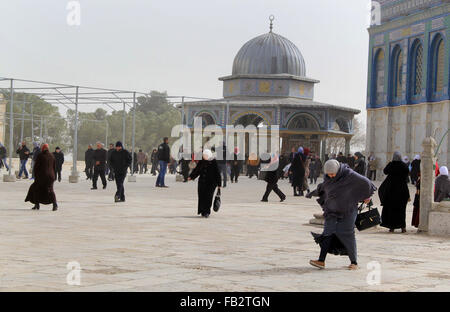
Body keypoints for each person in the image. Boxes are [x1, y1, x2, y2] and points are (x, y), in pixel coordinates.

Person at [308, 159, 376, 270]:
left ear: (338, 170)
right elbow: (325, 187)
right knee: (327, 233)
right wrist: (314, 192)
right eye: (328, 174)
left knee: (347, 234)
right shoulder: (328, 179)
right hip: (331, 210)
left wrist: (366, 197)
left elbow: (366, 183)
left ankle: (354, 262)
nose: (331, 176)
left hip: (348, 210)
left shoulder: (349, 175)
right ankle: (321, 261)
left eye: (332, 173)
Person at [379, 151, 410, 233]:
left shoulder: (391, 165)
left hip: (391, 190)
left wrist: (391, 164)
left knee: (391, 209)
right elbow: (407, 173)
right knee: (401, 209)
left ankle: (392, 227)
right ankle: (403, 227)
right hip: (402, 190)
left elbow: (385, 171)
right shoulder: (404, 165)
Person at [188, 149, 221, 218]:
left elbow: (217, 173)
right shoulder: (202, 161)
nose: (204, 156)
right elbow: (197, 170)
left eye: (205, 155)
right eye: (203, 155)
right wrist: (191, 176)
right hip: (202, 182)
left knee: (208, 197)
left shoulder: (214, 162)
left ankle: (207, 212)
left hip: (211, 183)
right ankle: (202, 210)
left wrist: (219, 185)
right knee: (201, 197)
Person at [25, 144, 58, 211]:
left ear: (42, 148)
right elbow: (54, 167)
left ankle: (37, 205)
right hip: (51, 176)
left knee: (36, 189)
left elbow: (36, 167)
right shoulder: (52, 155)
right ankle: (55, 205)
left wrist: (35, 176)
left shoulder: (40, 155)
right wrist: (54, 176)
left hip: (42, 176)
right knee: (50, 190)